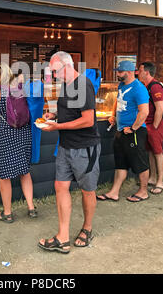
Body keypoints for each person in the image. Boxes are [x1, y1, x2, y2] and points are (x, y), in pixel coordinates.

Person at [38, 51, 101, 254]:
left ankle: (87, 228)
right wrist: (54, 115)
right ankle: (62, 237)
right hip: (65, 147)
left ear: (67, 66)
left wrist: (57, 127)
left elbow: (88, 120)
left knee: (87, 190)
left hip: (85, 147)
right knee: (60, 186)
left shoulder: (84, 85)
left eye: (55, 71)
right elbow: (70, 109)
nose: (54, 76)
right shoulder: (66, 85)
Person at [0, 63, 37, 222]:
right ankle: (31, 208)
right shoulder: (19, 88)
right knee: (25, 171)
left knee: (4, 176)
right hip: (24, 134)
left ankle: (7, 213)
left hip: (7, 136)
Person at [97, 60, 150, 203]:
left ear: (129, 72)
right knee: (121, 163)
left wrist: (133, 128)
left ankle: (143, 191)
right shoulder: (121, 85)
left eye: (120, 72)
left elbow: (144, 112)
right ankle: (114, 192)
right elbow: (117, 101)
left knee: (140, 162)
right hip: (121, 131)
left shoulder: (139, 88)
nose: (117, 74)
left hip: (134, 132)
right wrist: (114, 115)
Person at [137, 62, 163, 194]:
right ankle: (152, 178)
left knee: (158, 152)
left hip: (154, 125)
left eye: (140, 70)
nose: (138, 72)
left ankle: (160, 181)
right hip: (146, 124)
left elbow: (160, 108)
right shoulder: (145, 86)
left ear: (146, 72)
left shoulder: (155, 87)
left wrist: (154, 126)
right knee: (150, 152)